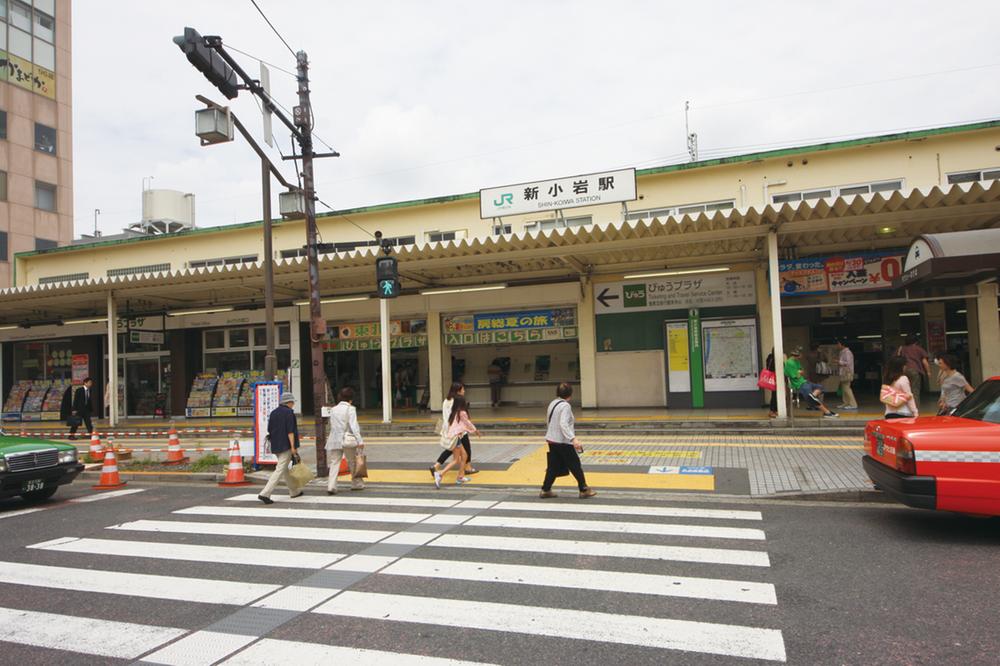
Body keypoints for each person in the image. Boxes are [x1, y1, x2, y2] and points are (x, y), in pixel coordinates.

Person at [540, 383, 597, 499]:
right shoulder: (565, 406)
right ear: (570, 394)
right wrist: (573, 439)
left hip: (552, 439)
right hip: (563, 441)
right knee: (575, 464)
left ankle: (546, 489)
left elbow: (549, 421)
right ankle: (584, 489)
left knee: (553, 466)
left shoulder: (553, 403)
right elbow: (563, 424)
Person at [258, 392, 302, 504]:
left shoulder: (273, 413)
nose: (293, 404)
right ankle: (265, 493)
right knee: (280, 469)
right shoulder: (289, 413)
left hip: (276, 445)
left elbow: (269, 429)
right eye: (292, 402)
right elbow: (290, 432)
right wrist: (293, 447)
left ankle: (294, 491)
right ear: (289, 402)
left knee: (284, 469)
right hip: (286, 446)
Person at [430, 382, 477, 478]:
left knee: (451, 449)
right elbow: (460, 416)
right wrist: (470, 428)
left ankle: (436, 466)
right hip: (457, 430)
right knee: (466, 448)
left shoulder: (446, 401)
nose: (464, 391)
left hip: (447, 428)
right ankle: (466, 469)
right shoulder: (456, 401)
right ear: (458, 391)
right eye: (462, 389)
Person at [326, 387, 365, 494]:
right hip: (347, 439)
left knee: (334, 462)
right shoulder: (350, 409)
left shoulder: (333, 409)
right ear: (350, 399)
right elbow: (354, 426)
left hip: (334, 439)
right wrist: (360, 441)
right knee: (352, 461)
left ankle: (331, 486)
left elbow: (332, 425)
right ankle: (356, 483)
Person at [784, 348, 838, 418]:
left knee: (820, 387)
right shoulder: (789, 363)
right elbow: (795, 375)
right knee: (812, 398)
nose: (801, 357)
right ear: (796, 355)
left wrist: (799, 372)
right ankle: (827, 412)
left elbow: (801, 371)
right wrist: (799, 373)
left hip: (804, 381)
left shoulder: (796, 361)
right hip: (799, 384)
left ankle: (812, 396)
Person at [897, 336, 931, 402]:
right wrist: (928, 372)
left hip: (904, 371)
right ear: (915, 342)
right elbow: (924, 362)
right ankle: (914, 406)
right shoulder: (918, 348)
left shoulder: (902, 348)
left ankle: (904, 406)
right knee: (915, 390)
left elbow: (898, 358)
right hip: (915, 371)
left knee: (904, 389)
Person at [835, 338, 858, 410]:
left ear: (842, 344)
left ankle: (853, 404)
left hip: (847, 372)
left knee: (847, 388)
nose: (837, 345)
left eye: (838, 344)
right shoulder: (842, 352)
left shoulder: (847, 352)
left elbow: (848, 363)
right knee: (844, 388)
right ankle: (846, 403)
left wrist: (838, 362)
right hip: (843, 372)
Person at [765, 350, 778, 418]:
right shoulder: (775, 358)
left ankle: (774, 410)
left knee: (774, 394)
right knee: (775, 395)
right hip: (775, 378)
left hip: (771, 378)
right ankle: (773, 410)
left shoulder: (770, 357)